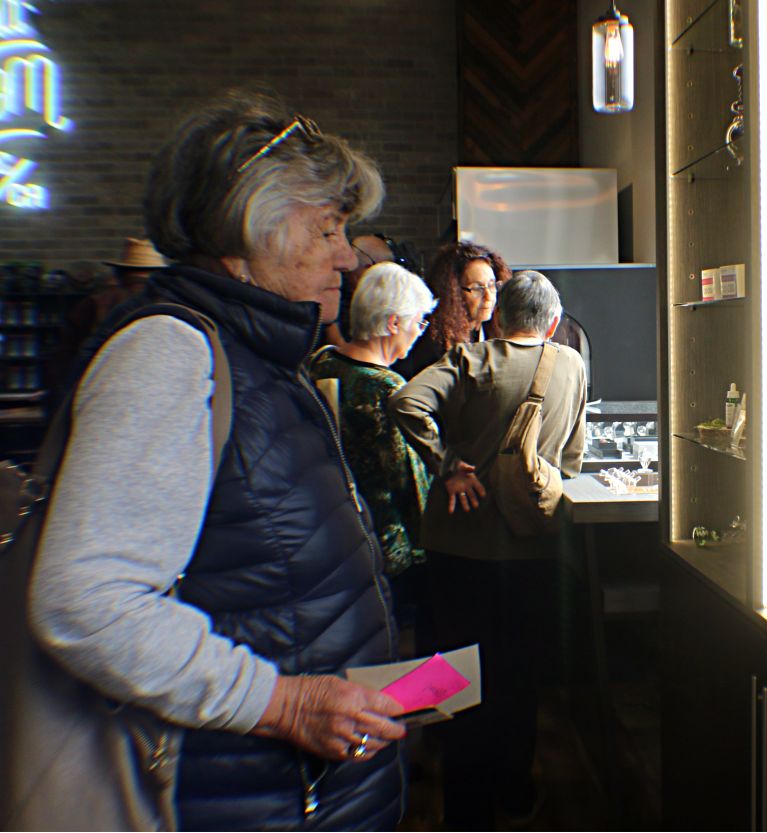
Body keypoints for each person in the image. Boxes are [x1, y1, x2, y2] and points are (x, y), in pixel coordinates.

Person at [24, 88, 408, 830]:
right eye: (328, 228)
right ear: (247, 233)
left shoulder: (259, 350)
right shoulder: (169, 353)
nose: (347, 254)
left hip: (297, 791)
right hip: (241, 800)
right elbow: (86, 600)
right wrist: (283, 702)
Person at [389, 270, 587, 828]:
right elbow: (573, 454)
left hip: (458, 543)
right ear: (552, 322)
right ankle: (516, 792)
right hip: (531, 547)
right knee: (519, 673)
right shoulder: (569, 363)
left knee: (457, 673)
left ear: (499, 319)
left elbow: (405, 402)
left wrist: (448, 465)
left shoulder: (471, 361)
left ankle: (464, 810)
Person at [309, 261, 436, 579]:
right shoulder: (388, 388)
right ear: (394, 323)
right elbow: (411, 484)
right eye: (418, 323)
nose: (419, 333)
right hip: (387, 546)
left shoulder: (321, 362)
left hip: (331, 532)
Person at [47, 237, 167, 395]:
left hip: (97, 389)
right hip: (153, 390)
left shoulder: (94, 303)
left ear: (119, 274)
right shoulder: (169, 306)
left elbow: (64, 356)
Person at [392, 240, 510, 380]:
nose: (489, 297)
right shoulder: (431, 343)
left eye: (492, 285)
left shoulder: (494, 330)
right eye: (477, 288)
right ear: (453, 293)